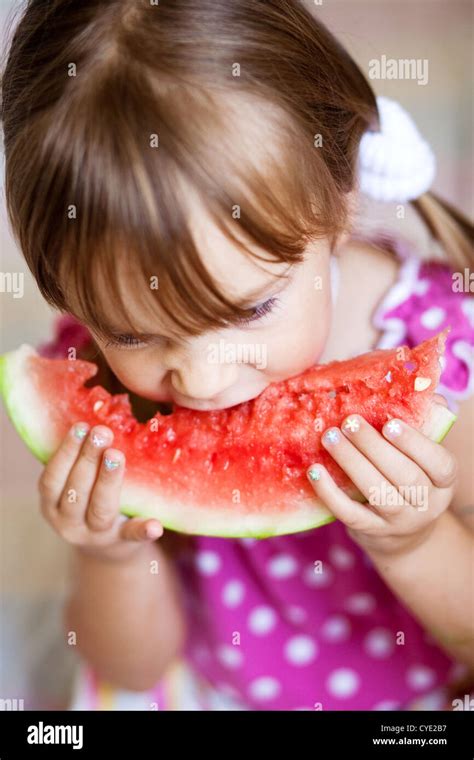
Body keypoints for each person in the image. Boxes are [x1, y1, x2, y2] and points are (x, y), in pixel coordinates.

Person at [2, 0, 473, 710]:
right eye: (132, 332)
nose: (201, 376)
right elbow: (131, 665)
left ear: (340, 201)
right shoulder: (93, 376)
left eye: (249, 309)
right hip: (211, 690)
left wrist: (413, 543)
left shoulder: (440, 353)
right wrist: (111, 556)